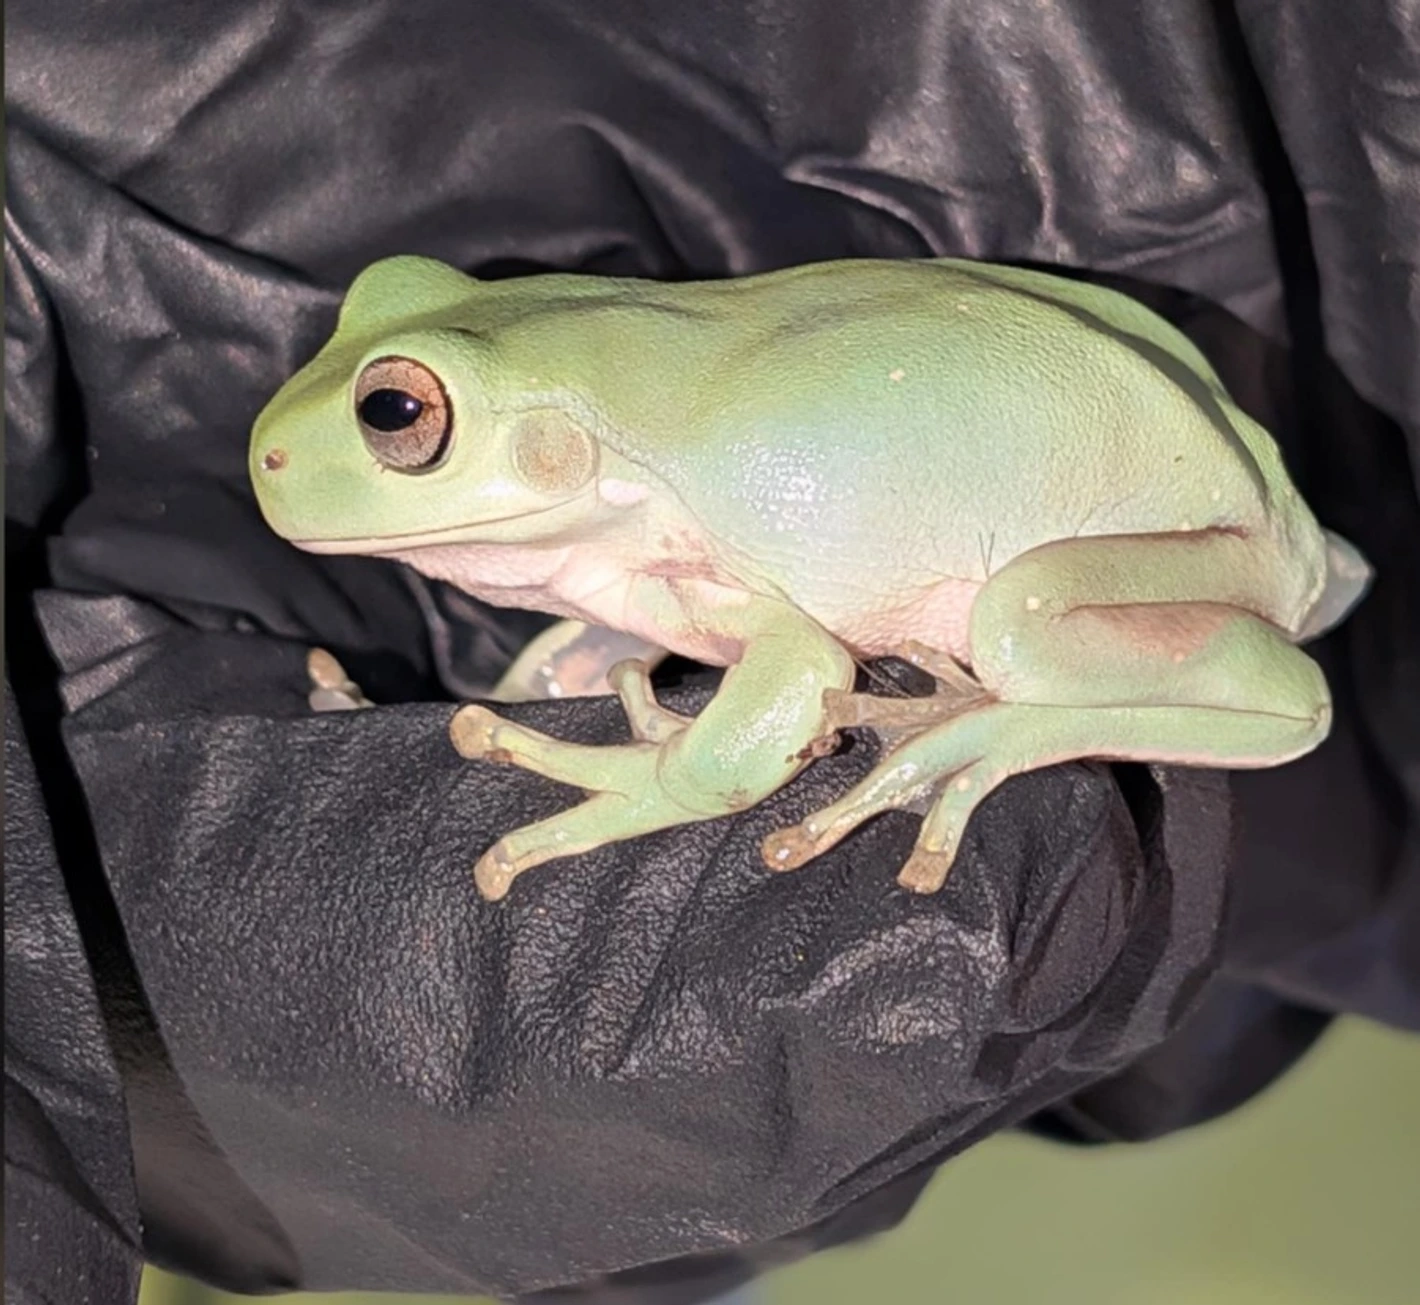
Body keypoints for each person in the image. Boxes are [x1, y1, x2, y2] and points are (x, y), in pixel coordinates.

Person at [6, 2, 1417, 1301]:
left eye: (398, 414)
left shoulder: (670, 532)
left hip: (1171, 554)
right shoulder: (638, 521)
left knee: (1018, 635)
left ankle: (1032, 712)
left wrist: (670, 781)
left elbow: (795, 679)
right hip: (1143, 454)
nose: (320, 419)